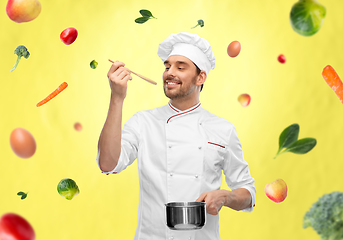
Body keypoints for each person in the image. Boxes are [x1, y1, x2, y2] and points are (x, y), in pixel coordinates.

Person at [96, 32, 256, 240]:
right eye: (167, 66)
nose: (169, 73)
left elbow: (248, 193)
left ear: (201, 77)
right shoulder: (143, 122)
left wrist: (226, 197)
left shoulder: (222, 129)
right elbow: (107, 164)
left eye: (180, 67)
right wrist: (117, 97)